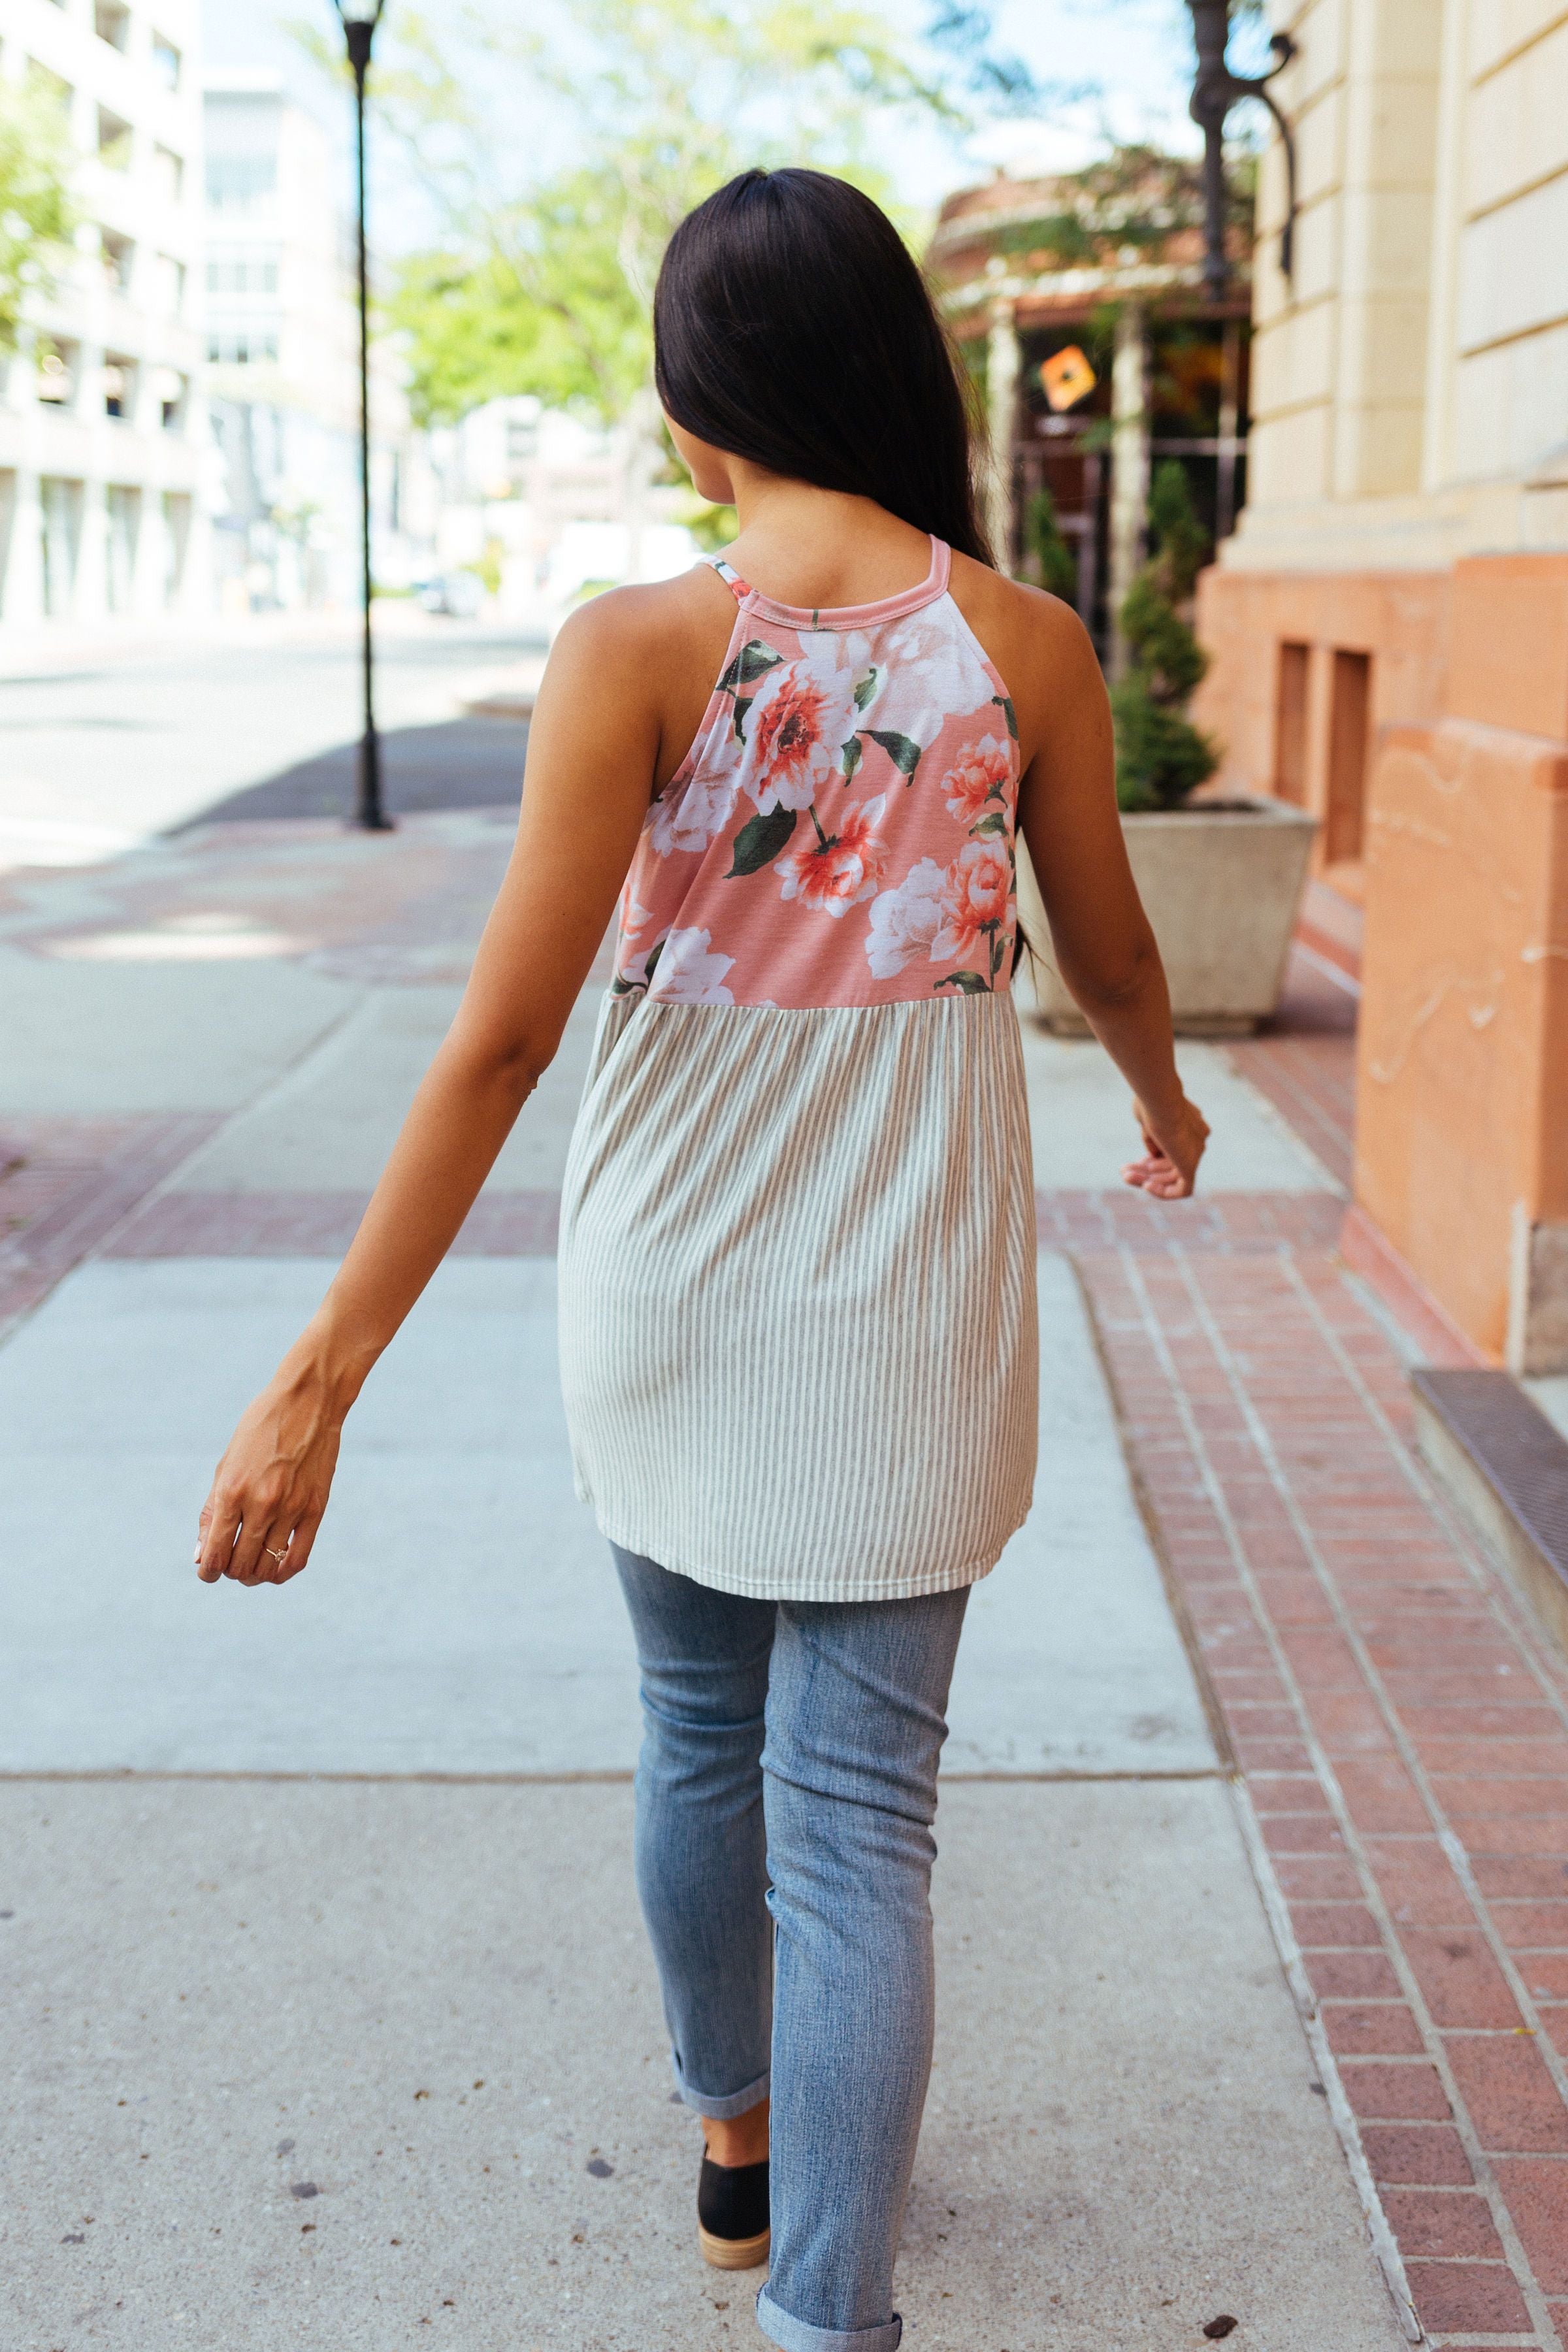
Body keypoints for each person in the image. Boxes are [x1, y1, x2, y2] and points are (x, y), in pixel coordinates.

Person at [196, 167, 1209, 2352]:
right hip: (910, 1313)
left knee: (689, 1728)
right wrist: (1162, 1096)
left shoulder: (637, 647)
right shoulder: (1020, 647)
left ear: (700, 409)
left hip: (663, 1294)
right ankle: (824, 2318)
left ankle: (736, 2149)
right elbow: (1112, 951)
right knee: (862, 1826)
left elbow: (497, 1044)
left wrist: (325, 1372)